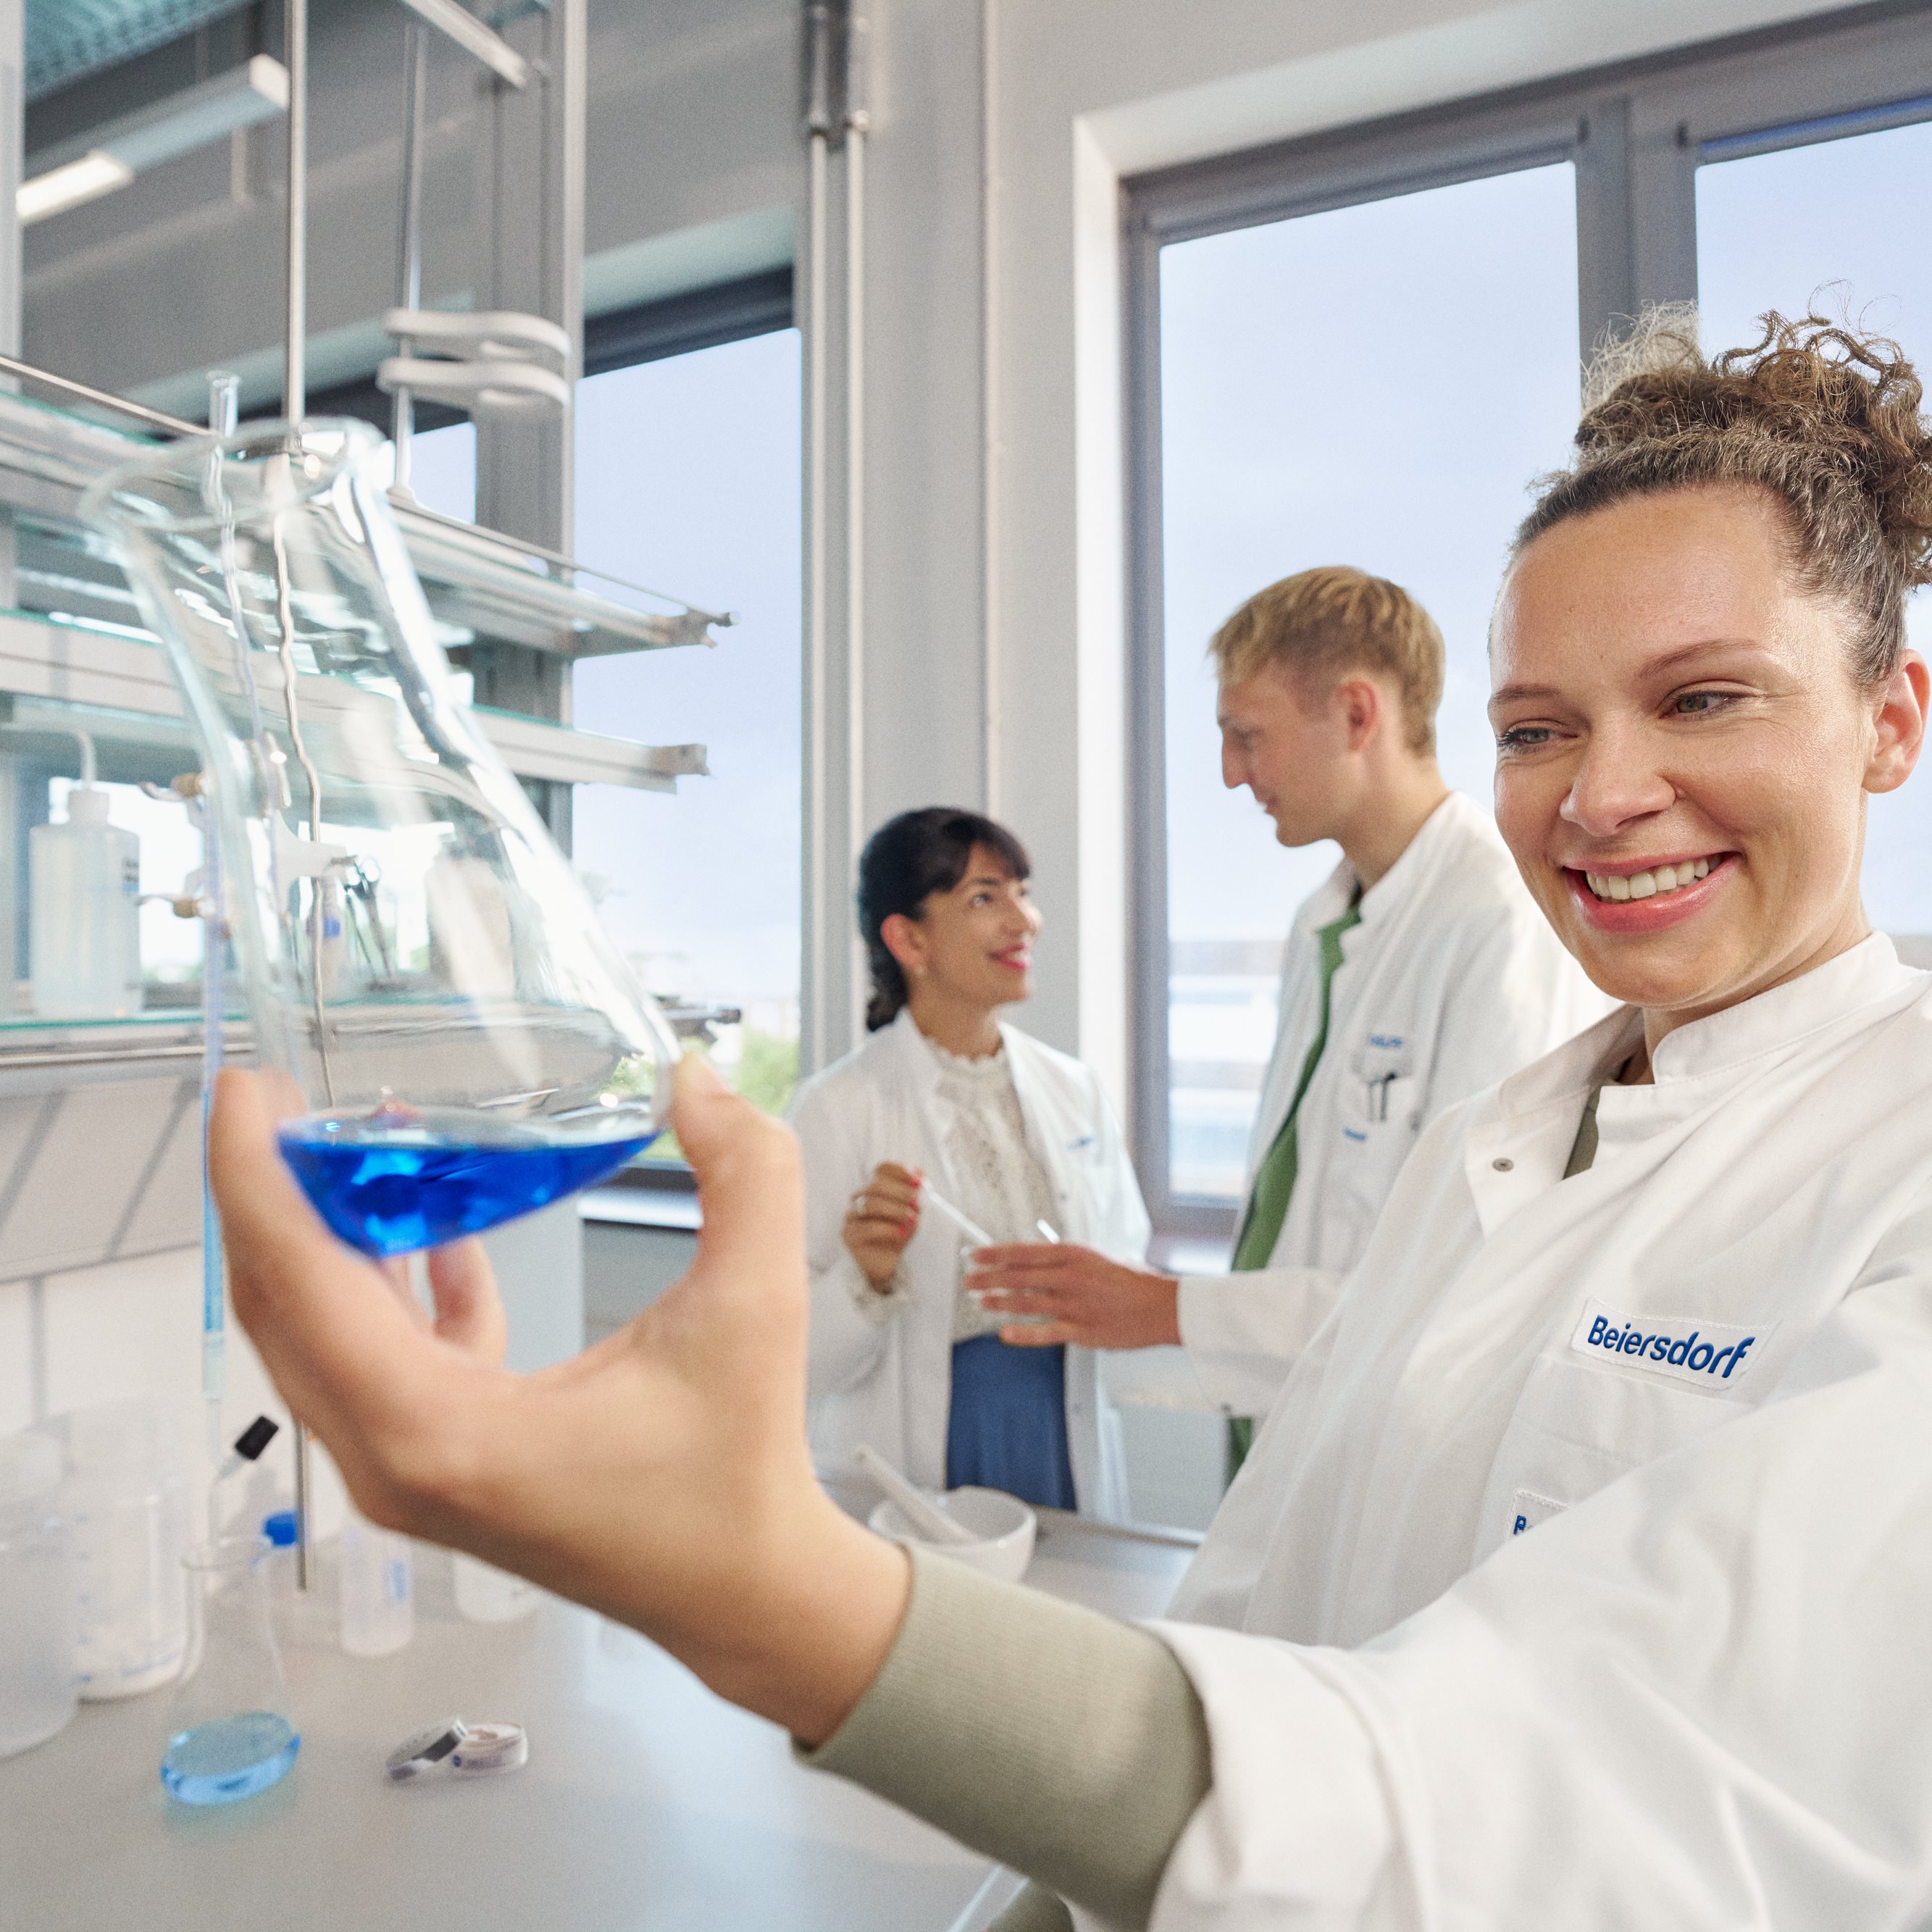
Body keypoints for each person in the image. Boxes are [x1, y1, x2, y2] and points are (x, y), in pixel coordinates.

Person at [212, 307, 1932, 1931]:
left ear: (1890, 722)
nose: (1605, 791)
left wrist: (763, 1594)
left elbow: (1541, 1794)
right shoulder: (1505, 1139)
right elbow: (1268, 1612)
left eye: (1704, 696)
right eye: (1539, 727)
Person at [972, 569, 1607, 1452]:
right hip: (1297, 1420)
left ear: (1356, 714)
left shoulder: (1501, 926)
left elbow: (1464, 1281)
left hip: (1398, 1447)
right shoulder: (1328, 921)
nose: (1233, 774)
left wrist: (1167, 1308)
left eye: (1247, 737)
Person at [790, 807, 1150, 1515]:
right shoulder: (837, 1108)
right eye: (985, 898)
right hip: (925, 1444)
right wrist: (868, 1273)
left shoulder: (1072, 1090)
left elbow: (1125, 1259)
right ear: (908, 939)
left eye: (1022, 891)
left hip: (1058, 1429)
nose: (1025, 921)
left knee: (1068, 1616)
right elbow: (799, 1360)